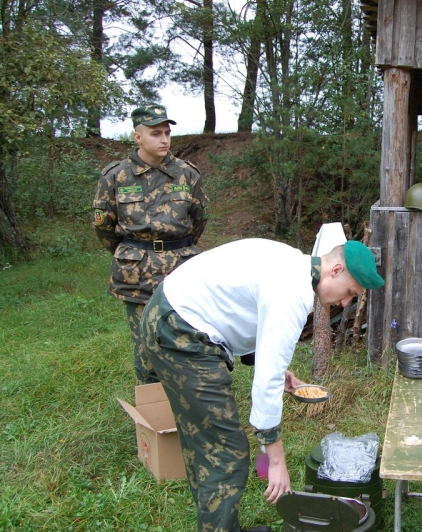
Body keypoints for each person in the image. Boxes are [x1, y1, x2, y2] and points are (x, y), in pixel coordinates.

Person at [140, 238, 384, 532]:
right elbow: (265, 385)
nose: (345, 303)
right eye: (350, 292)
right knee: (225, 454)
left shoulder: (294, 264)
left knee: (208, 443)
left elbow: (244, 312)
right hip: (181, 331)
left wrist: (280, 371)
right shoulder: (292, 293)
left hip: (171, 311)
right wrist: (276, 461)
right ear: (335, 269)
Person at [92, 104, 209, 385]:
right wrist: (132, 251)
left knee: (186, 337)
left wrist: (177, 248)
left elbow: (200, 218)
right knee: (146, 346)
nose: (164, 139)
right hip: (136, 272)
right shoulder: (116, 176)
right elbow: (103, 225)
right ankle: (154, 412)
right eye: (156, 133)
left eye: (167, 133)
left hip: (181, 268)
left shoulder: (187, 174)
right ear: (137, 137)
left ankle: (187, 399)